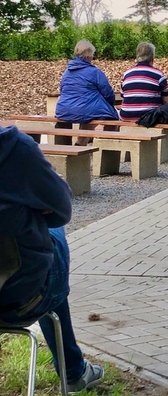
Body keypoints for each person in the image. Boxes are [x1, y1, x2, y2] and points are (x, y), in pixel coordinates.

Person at [0, 125, 104, 393]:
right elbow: (61, 210)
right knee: (51, 234)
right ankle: (72, 371)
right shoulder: (14, 148)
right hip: (20, 300)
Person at [55, 39, 118, 145]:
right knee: (112, 118)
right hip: (86, 110)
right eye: (93, 54)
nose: (93, 57)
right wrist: (111, 104)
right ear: (89, 55)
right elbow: (108, 93)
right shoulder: (94, 72)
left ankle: (77, 144)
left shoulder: (67, 72)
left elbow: (62, 90)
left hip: (64, 110)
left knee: (88, 113)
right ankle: (107, 148)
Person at [119, 42, 168, 122]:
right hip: (149, 117)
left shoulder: (126, 74)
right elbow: (167, 100)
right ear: (152, 57)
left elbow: (123, 96)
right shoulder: (158, 74)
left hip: (126, 116)